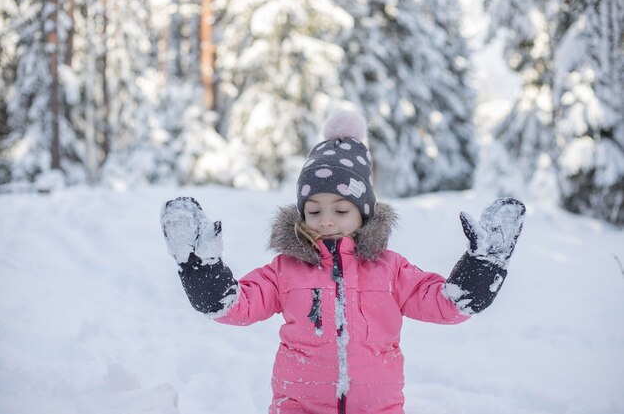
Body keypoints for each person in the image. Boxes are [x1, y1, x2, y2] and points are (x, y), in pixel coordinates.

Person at [159, 110, 526, 414]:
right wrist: (202, 271)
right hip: (298, 404)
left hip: (377, 407)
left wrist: (483, 266)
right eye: (314, 210)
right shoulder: (286, 269)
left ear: (364, 213)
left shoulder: (391, 268)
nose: (326, 220)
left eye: (340, 209)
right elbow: (236, 305)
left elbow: (446, 304)